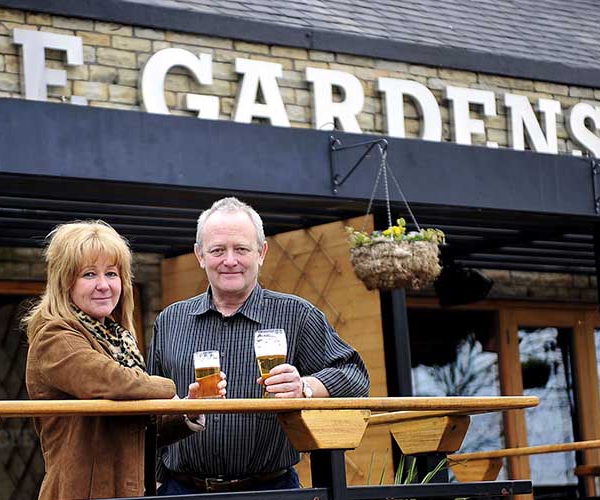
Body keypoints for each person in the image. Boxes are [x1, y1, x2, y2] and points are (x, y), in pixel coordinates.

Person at [148, 197, 370, 494]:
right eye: (217, 250)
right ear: (200, 256)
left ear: (261, 252)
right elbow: (151, 413)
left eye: (241, 249)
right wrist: (156, 480)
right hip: (183, 490)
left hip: (272, 489)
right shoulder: (170, 320)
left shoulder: (297, 315)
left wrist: (304, 387)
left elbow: (355, 376)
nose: (229, 260)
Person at [24, 221, 226, 500]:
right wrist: (170, 391)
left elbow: (133, 433)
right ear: (64, 280)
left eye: (111, 274)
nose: (103, 285)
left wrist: (187, 413)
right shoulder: (55, 335)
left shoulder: (116, 339)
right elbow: (110, 381)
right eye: (89, 275)